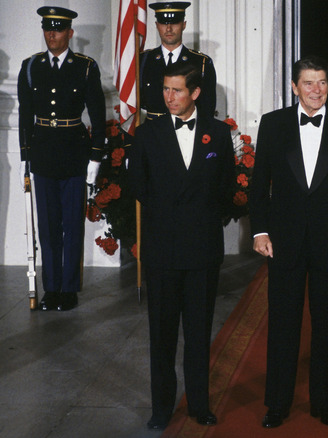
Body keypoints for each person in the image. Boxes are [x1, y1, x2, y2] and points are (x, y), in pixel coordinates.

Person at [249, 55, 328, 429]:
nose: (317, 90)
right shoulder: (273, 124)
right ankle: (277, 404)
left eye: (322, 82)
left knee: (326, 324)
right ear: (294, 87)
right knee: (283, 324)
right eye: (309, 83)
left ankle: (324, 402)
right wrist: (260, 230)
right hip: (282, 242)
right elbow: (258, 185)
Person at [129, 61, 234, 429]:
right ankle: (161, 409)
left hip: (202, 251)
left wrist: (201, 219)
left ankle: (199, 405)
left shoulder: (218, 135)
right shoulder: (147, 134)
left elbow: (226, 190)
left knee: (199, 334)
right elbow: (138, 187)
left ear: (196, 93)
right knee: (162, 336)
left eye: (177, 90)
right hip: (162, 251)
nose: (169, 97)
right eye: (165, 90)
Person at [17, 6, 105, 311]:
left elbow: (97, 114)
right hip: (42, 155)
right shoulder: (31, 66)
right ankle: (50, 288)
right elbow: (26, 116)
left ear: (70, 32)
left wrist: (95, 157)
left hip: (73, 154)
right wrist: (25, 158)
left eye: (58, 29)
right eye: (47, 29)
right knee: (48, 226)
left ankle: (69, 289)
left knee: (71, 225)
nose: (51, 34)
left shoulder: (85, 67)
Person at [140, 2, 217, 121]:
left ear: (184, 25)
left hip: (187, 134)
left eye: (175, 23)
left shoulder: (200, 62)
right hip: (152, 133)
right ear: (156, 25)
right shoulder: (143, 60)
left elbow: (207, 109)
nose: (169, 29)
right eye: (163, 23)